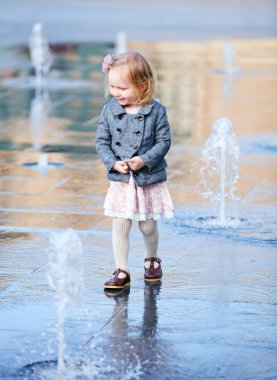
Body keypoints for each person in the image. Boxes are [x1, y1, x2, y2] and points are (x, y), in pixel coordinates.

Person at [96, 51, 174, 290]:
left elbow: (164, 141)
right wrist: (112, 162)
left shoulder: (156, 111)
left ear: (143, 85)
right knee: (120, 222)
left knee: (148, 225)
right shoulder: (110, 110)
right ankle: (122, 270)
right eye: (112, 87)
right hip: (121, 178)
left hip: (147, 177)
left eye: (122, 88)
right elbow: (102, 141)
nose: (116, 93)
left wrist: (144, 159)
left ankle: (152, 259)